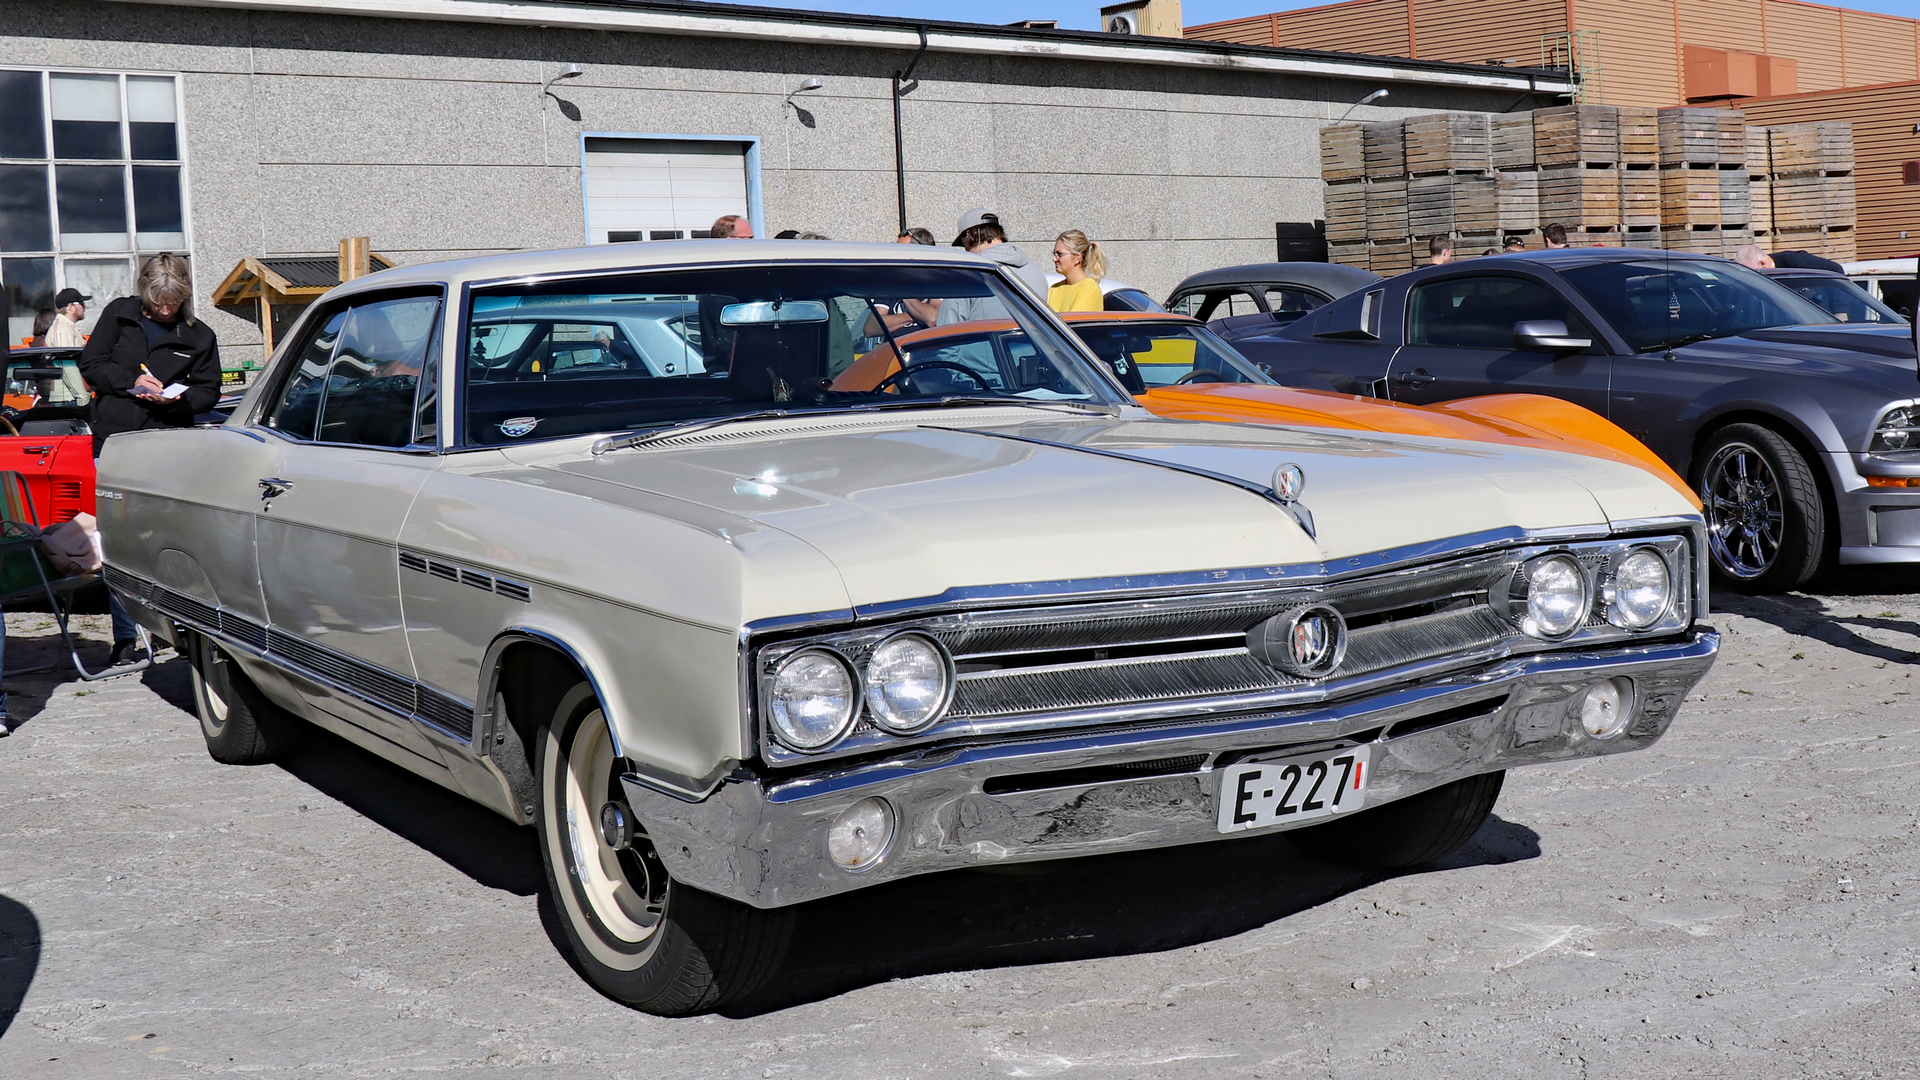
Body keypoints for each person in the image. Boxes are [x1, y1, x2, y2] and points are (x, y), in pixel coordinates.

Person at [79, 253, 223, 664]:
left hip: (165, 443)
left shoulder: (199, 335)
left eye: (172, 302)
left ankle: (173, 625)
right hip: (116, 441)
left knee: (167, 539)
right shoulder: (120, 315)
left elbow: (208, 390)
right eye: (158, 301)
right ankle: (126, 637)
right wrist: (131, 382)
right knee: (120, 540)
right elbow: (92, 364)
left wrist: (175, 401)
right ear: (144, 292)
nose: (164, 309)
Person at [938, 208, 1047, 324]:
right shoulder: (1035, 271)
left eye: (963, 244)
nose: (966, 250)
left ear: (969, 235)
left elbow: (946, 326)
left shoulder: (968, 274)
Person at [1048, 230, 1107, 312]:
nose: (1054, 259)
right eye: (1054, 254)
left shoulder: (1089, 289)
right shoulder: (1054, 289)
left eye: (1060, 254)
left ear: (1077, 258)